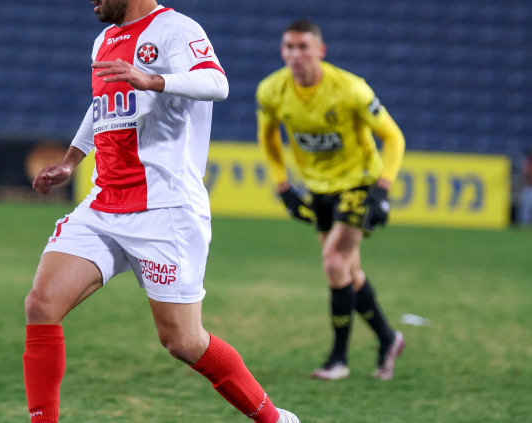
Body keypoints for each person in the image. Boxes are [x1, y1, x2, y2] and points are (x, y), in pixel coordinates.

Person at [23, 1, 300, 422]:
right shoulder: (104, 39)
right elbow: (101, 106)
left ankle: (274, 420)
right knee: (41, 304)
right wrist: (70, 161)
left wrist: (151, 80)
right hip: (103, 204)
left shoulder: (176, 29)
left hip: (164, 208)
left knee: (183, 341)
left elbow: (217, 82)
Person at [256, 20, 406, 381]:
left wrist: (381, 191)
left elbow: (394, 137)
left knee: (335, 263)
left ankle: (338, 359)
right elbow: (269, 138)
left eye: (303, 47)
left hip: (358, 183)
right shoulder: (271, 91)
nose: (295, 55)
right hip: (318, 189)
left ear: (320, 51)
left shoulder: (351, 89)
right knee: (349, 273)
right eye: (289, 47)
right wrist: (284, 188)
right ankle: (388, 338)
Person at [519, 147, 532, 226]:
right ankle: (524, 223)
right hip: (528, 187)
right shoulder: (527, 160)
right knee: (525, 206)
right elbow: (526, 173)